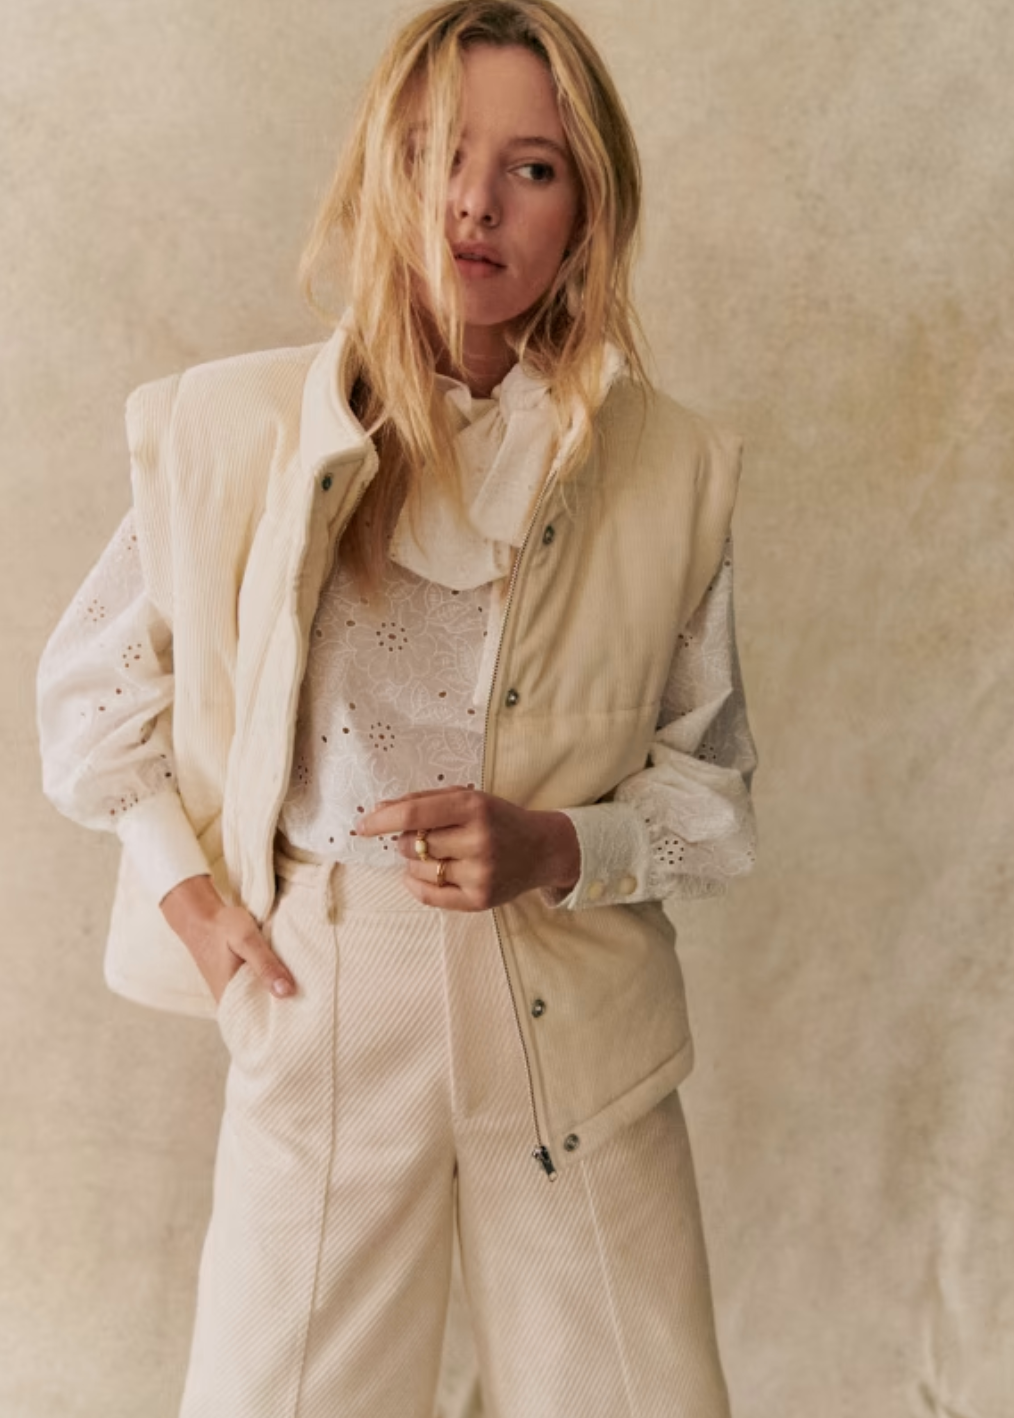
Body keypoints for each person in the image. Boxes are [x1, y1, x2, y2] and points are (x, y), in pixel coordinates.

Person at [37, 2, 758, 1414]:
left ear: (587, 210)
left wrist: (556, 846)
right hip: (322, 994)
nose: (472, 202)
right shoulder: (230, 432)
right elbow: (91, 695)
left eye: (531, 168)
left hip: (578, 1026)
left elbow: (713, 796)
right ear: (380, 168)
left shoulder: (672, 468)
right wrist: (192, 899)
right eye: (433, 152)